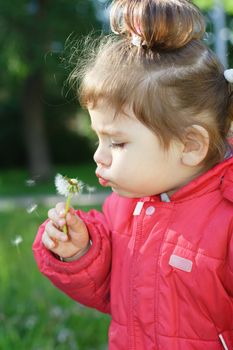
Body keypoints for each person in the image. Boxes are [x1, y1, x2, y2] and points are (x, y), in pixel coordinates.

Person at [33, 0, 233, 349]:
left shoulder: (226, 222)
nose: (99, 155)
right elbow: (112, 291)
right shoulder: (122, 210)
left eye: (119, 143)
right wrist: (80, 253)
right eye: (99, 138)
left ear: (190, 145)